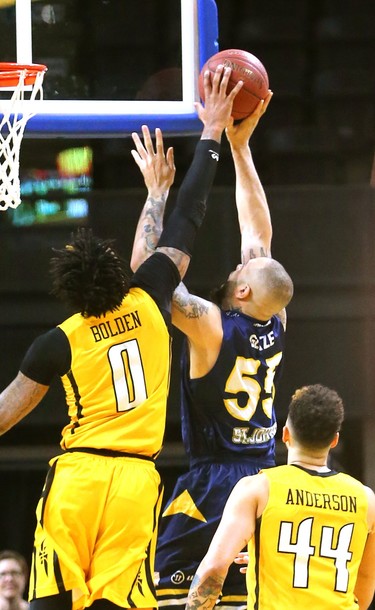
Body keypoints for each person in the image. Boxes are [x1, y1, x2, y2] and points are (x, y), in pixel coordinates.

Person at [0, 65, 243, 610]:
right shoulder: (148, 296)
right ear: (116, 276)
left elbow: (5, 413)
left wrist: (154, 195)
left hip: (79, 475)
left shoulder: (58, 340)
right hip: (136, 479)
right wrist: (209, 136)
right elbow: (189, 219)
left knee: (50, 603)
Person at [130, 93, 294, 609]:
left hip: (212, 480)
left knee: (164, 595)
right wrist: (242, 150)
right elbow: (259, 239)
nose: (235, 268)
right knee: (251, 600)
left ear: (243, 292)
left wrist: (157, 193)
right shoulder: (277, 321)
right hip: (263, 477)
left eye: (239, 273)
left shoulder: (211, 329)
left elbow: (147, 274)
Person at [185, 384, 375, 610]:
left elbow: (214, 567)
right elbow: (364, 578)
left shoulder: (258, 488)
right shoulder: (366, 499)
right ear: (334, 440)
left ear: (285, 433)